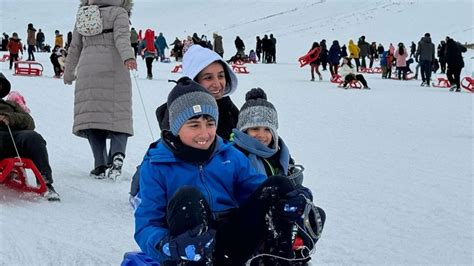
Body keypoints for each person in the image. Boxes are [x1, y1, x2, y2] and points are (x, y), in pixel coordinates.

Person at [134, 77, 321, 265]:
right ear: (176, 128)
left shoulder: (229, 154)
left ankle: (277, 261)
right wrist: (166, 245)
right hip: (189, 246)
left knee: (278, 184)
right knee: (187, 197)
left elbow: (257, 189)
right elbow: (147, 224)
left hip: (231, 241)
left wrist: (294, 195)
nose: (204, 133)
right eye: (194, 125)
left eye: (210, 123)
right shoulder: (157, 164)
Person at [129, 44, 240, 206]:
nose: (217, 84)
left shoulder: (228, 108)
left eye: (221, 76)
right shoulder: (179, 110)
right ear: (194, 80)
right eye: (208, 78)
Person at [231, 88, 326, 264]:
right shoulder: (237, 154)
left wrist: (302, 195)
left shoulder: (279, 154)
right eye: (254, 129)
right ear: (243, 130)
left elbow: (293, 183)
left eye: (267, 129)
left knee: (316, 215)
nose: (261, 134)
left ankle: (296, 255)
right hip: (249, 217)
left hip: (279, 212)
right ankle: (274, 258)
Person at [64, 0, 137, 180]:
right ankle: (117, 155)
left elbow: (75, 47)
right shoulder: (119, 12)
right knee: (118, 115)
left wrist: (68, 72)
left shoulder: (84, 14)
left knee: (93, 117)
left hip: (88, 70)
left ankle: (100, 164)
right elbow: (121, 38)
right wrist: (128, 57)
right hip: (114, 68)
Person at [0, 73, 60, 201]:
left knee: (33, 137)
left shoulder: (11, 105)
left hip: (14, 136)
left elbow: (29, 122)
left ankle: (45, 182)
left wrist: (11, 118)